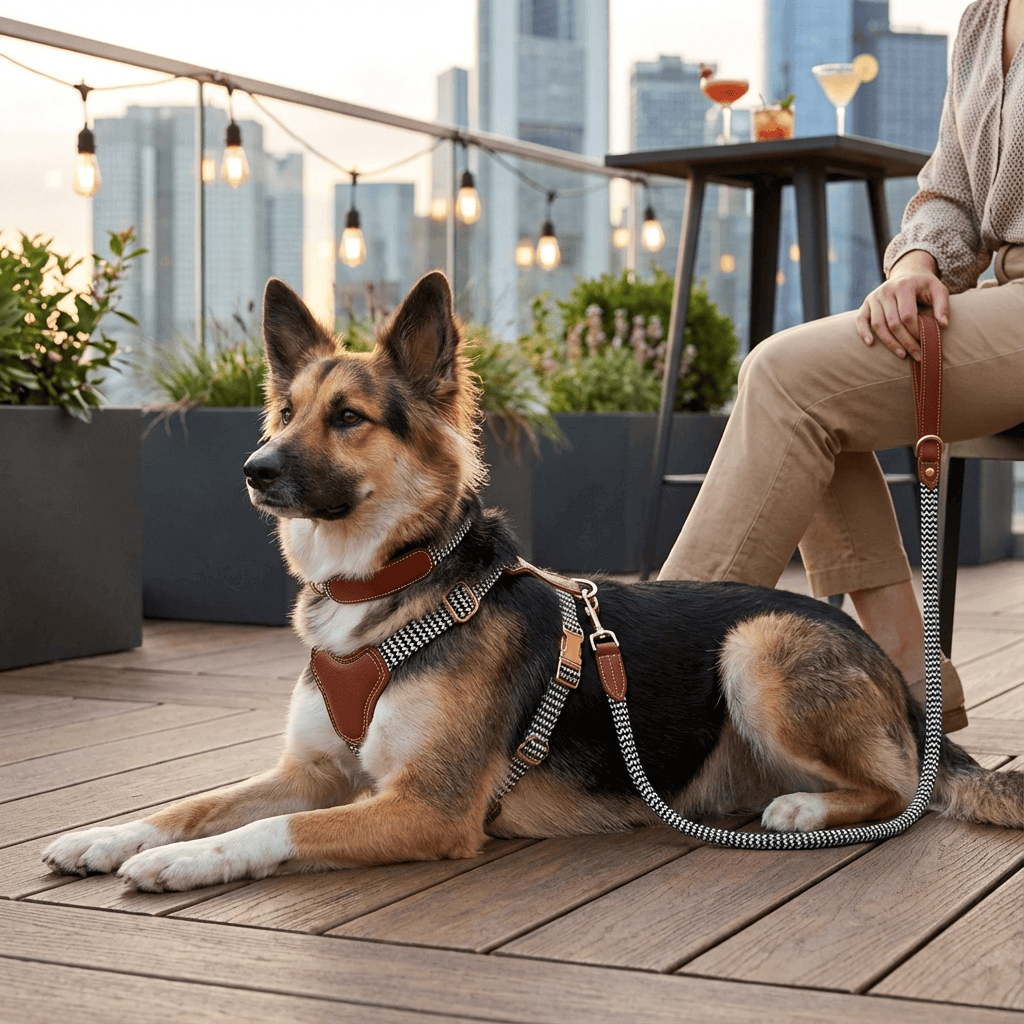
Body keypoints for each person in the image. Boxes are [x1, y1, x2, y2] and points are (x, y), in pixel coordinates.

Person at [658, 0, 1024, 731]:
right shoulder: (984, 20)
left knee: (791, 381)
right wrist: (917, 262)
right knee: (804, 380)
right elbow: (948, 191)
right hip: (1003, 294)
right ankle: (908, 668)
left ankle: (653, 675)